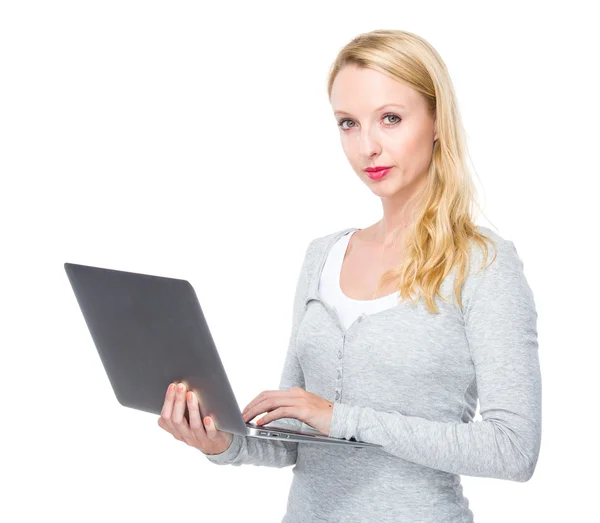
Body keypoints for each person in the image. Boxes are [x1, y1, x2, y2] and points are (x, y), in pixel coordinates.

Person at [157, 29, 542, 522]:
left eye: (390, 119)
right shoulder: (323, 255)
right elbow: (296, 436)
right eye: (348, 123)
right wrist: (220, 440)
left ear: (438, 120)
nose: (368, 147)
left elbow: (513, 451)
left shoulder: (484, 264)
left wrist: (343, 419)